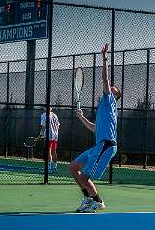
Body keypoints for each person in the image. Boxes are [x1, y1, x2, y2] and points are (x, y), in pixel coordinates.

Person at [69, 43, 122, 213]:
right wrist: (82, 118)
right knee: (73, 167)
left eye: (111, 89)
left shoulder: (110, 101)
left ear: (114, 96)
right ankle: (87, 198)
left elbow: (105, 80)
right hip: (100, 144)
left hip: (107, 146)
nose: (108, 88)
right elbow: (94, 129)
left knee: (84, 176)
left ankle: (97, 201)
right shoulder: (104, 110)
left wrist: (104, 57)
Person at [39, 105, 60, 174]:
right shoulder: (54, 115)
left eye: (49, 107)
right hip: (55, 136)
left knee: (49, 152)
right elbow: (58, 126)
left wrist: (41, 133)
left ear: (51, 108)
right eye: (47, 107)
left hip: (49, 136)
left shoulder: (44, 115)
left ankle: (49, 169)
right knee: (53, 151)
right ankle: (54, 168)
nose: (48, 108)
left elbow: (44, 126)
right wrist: (55, 132)